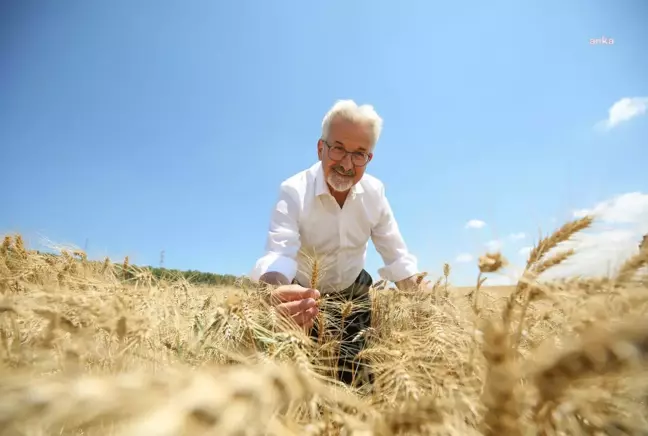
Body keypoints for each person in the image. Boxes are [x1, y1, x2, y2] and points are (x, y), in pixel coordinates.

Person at [250, 99, 421, 386]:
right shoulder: (293, 191)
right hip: (305, 298)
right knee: (304, 382)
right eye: (338, 148)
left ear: (369, 158)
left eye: (359, 154)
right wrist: (278, 292)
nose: (346, 163)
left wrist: (426, 302)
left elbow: (396, 255)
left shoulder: (375, 193)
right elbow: (279, 253)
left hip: (354, 293)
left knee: (356, 381)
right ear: (321, 148)